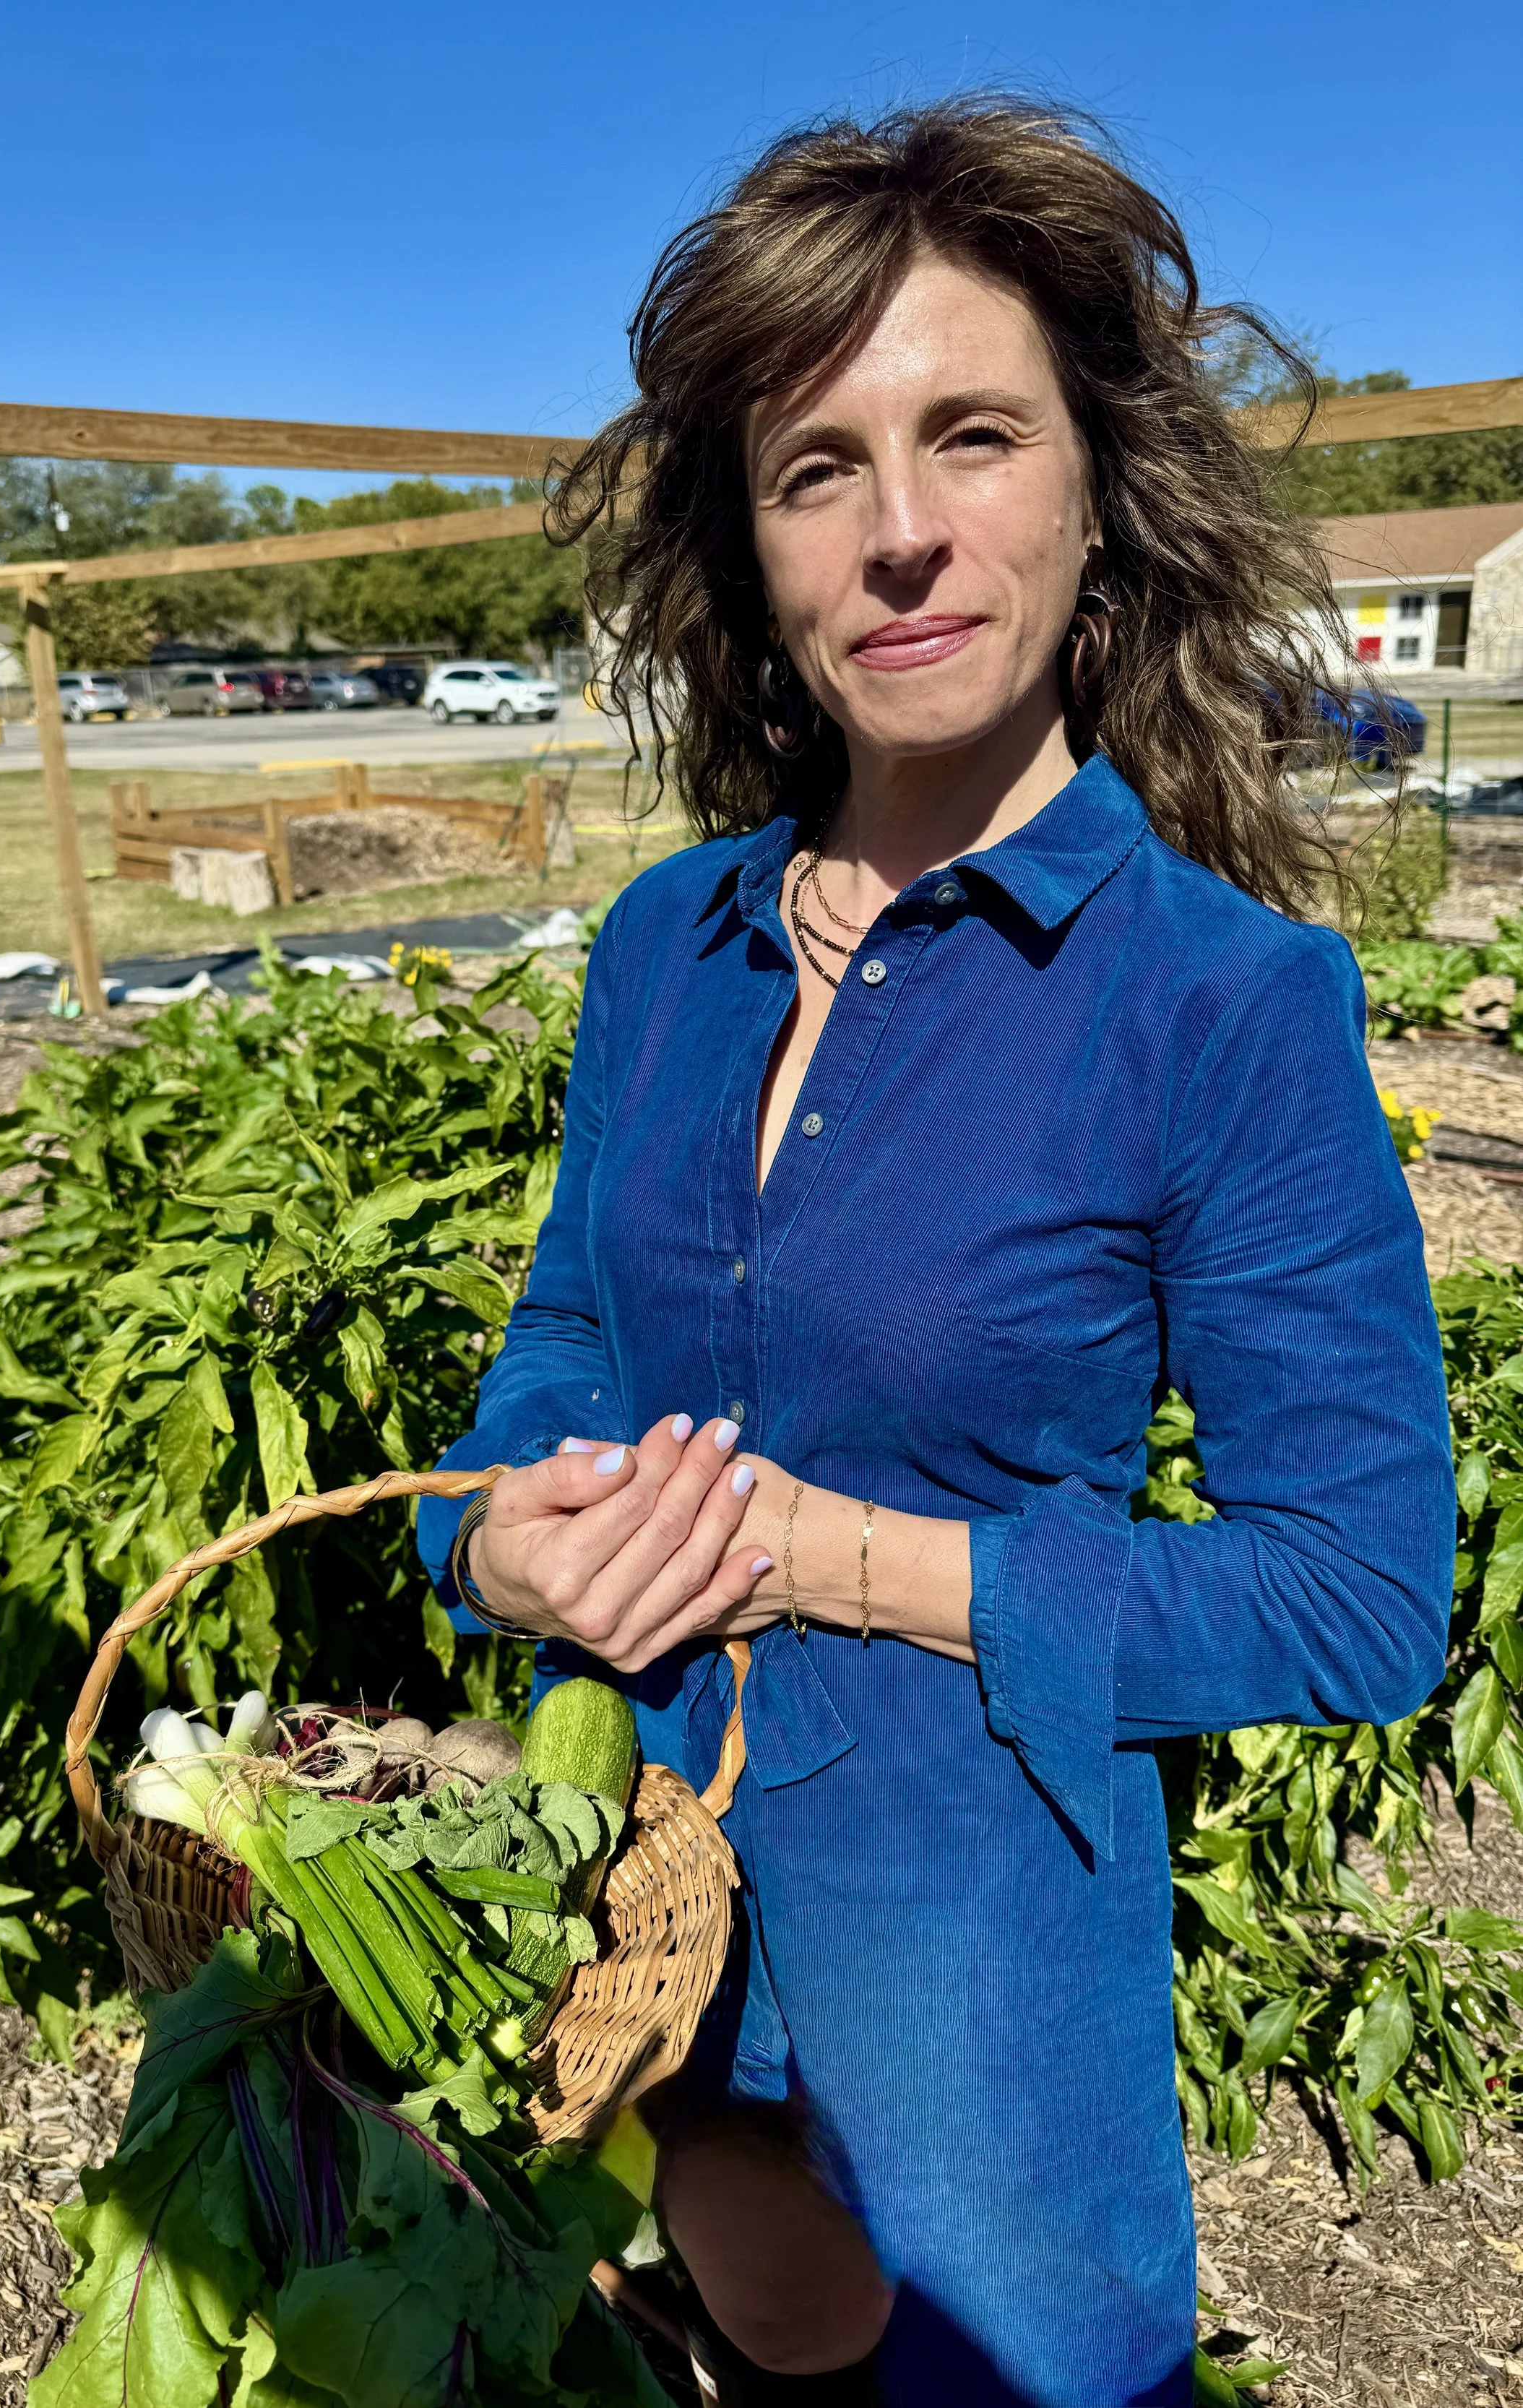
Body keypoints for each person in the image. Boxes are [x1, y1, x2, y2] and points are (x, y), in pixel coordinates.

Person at [414, 98, 1454, 2408]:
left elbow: (1363, 1593)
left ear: (1095, 492)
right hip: (646, 1903)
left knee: (1010, 2366)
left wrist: (850, 1560)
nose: (900, 534)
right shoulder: (664, 952)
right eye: (814, 467)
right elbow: (566, 1338)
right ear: (752, 550)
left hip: (970, 1961)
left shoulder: (1213, 1002)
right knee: (760, 2338)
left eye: (970, 436)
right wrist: (496, 1550)